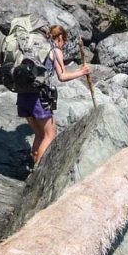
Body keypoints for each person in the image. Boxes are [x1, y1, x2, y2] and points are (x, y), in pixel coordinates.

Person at [16, 25, 91, 167]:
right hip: (39, 97)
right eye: (64, 41)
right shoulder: (55, 50)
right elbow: (62, 76)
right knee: (49, 135)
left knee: (39, 134)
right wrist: (82, 72)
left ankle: (33, 164)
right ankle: (37, 171)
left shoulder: (34, 46)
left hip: (23, 94)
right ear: (60, 37)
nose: (63, 45)